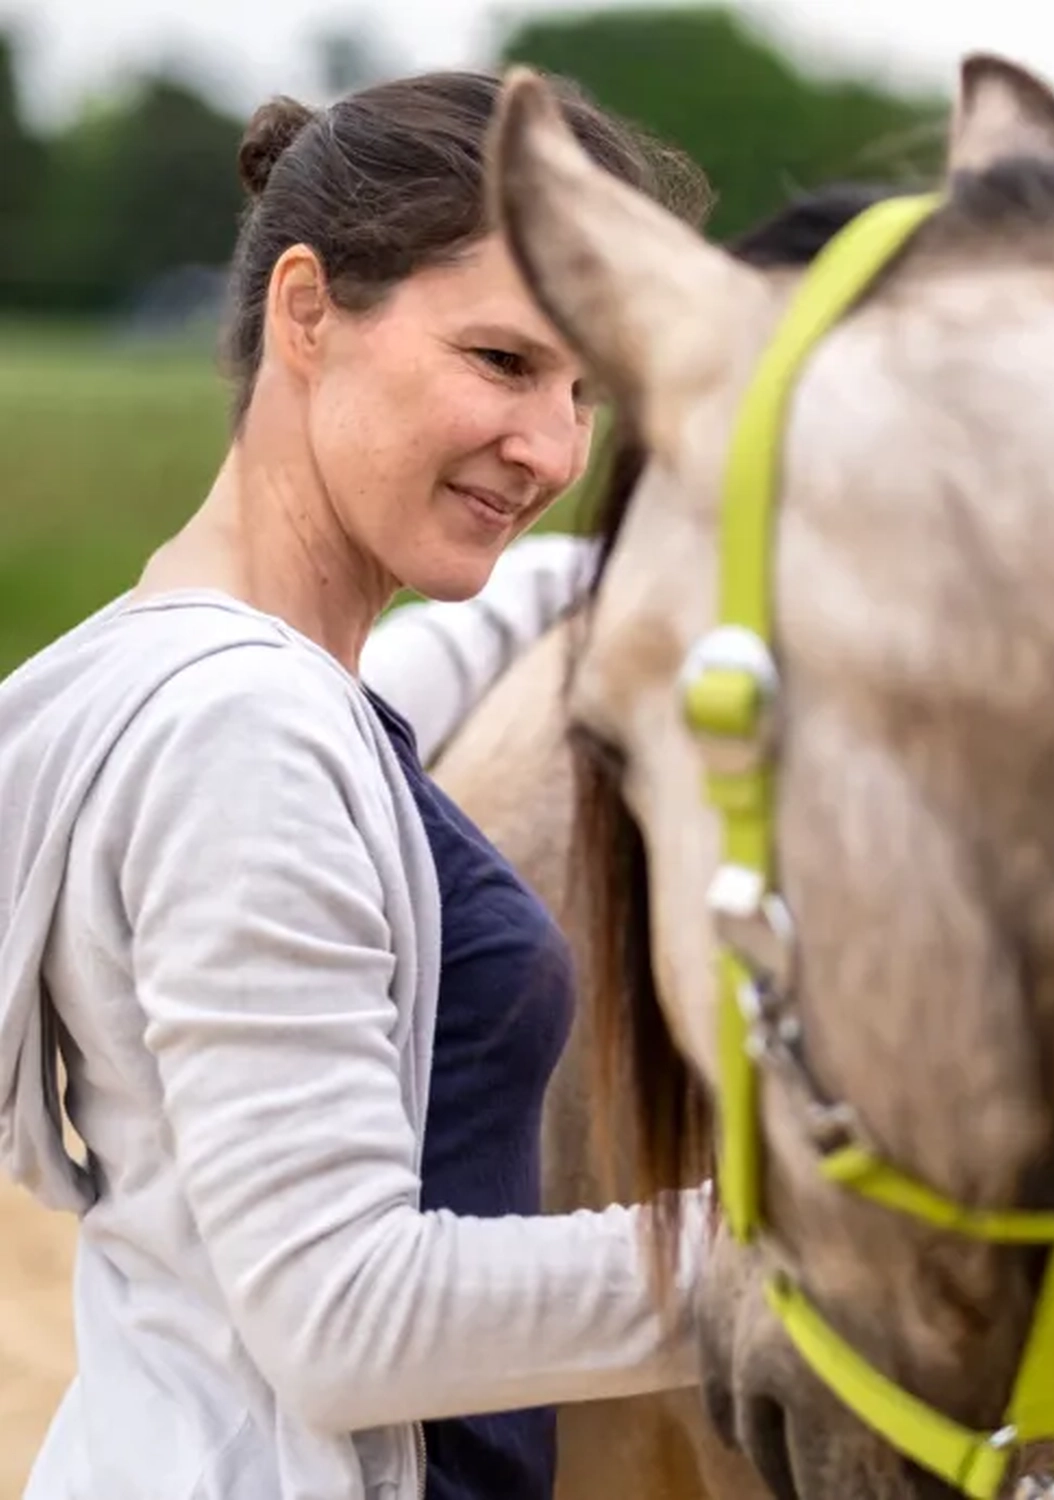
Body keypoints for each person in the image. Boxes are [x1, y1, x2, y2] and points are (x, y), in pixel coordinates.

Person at [0, 69, 715, 1500]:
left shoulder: (242, 688)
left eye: (586, 391)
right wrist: (810, 1261)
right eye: (504, 365)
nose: (556, 452)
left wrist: (718, 557)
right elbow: (345, 1319)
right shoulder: (241, 738)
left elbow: (447, 660)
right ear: (308, 311)